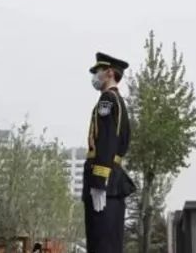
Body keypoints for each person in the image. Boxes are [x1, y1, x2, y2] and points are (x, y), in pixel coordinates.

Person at [83, 52, 134, 253]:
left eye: (98, 71)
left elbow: (106, 139)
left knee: (101, 243)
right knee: (110, 243)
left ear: (110, 73)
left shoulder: (107, 99)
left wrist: (99, 182)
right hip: (113, 181)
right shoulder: (118, 101)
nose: (95, 76)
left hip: (104, 183)